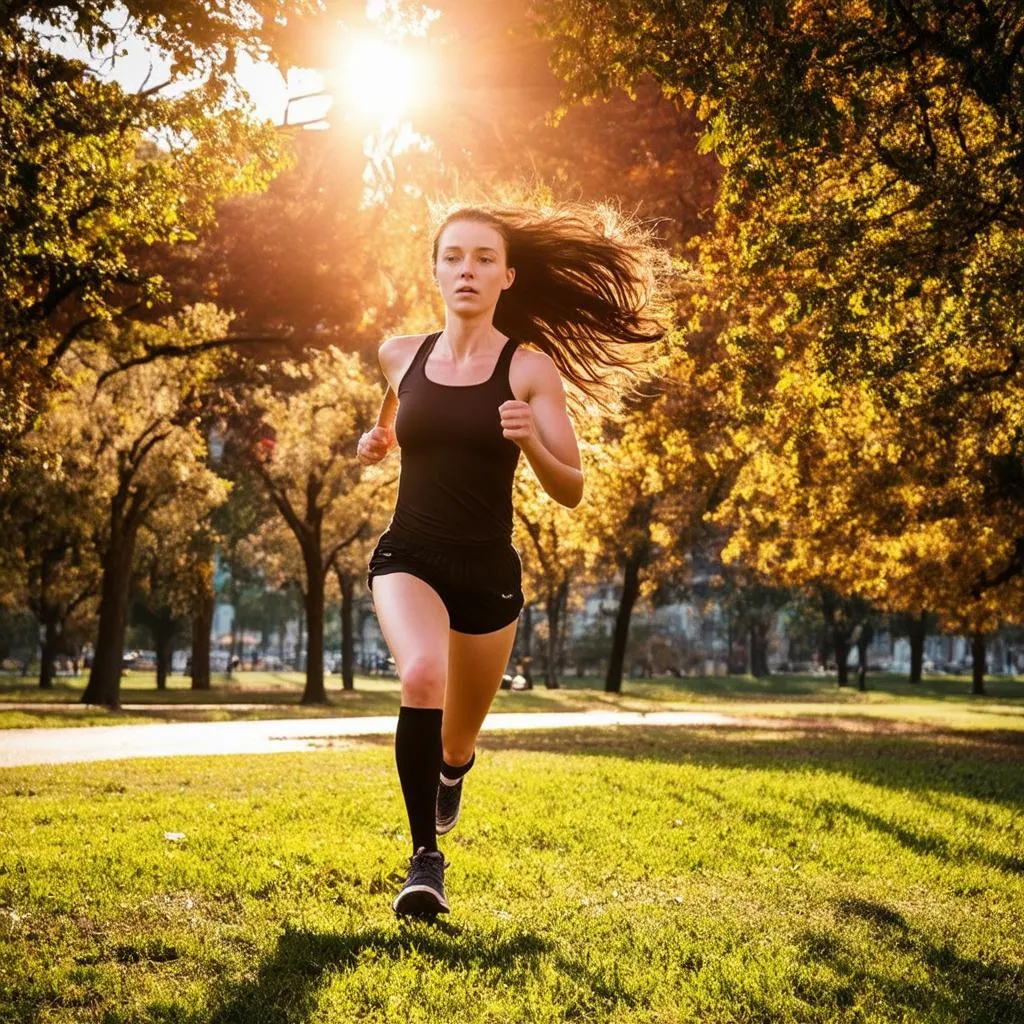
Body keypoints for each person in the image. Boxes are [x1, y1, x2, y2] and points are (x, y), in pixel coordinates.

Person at [356, 203, 666, 917]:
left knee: (456, 742)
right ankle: (424, 863)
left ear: (507, 276)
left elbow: (573, 489)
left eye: (484, 258)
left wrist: (531, 441)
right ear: (435, 268)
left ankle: (453, 771)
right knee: (423, 676)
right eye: (454, 256)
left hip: (489, 576)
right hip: (409, 555)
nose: (468, 269)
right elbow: (392, 417)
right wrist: (376, 443)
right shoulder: (399, 353)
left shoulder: (530, 370)